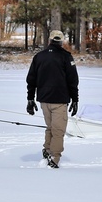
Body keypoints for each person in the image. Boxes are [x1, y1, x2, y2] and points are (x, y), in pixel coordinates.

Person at [26, 30, 79, 168]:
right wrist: (75, 99)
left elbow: (31, 79)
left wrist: (30, 99)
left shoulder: (39, 57)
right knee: (58, 131)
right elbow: (73, 80)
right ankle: (55, 157)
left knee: (51, 127)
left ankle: (47, 150)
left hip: (44, 101)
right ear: (61, 42)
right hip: (59, 101)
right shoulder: (66, 57)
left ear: (49, 40)